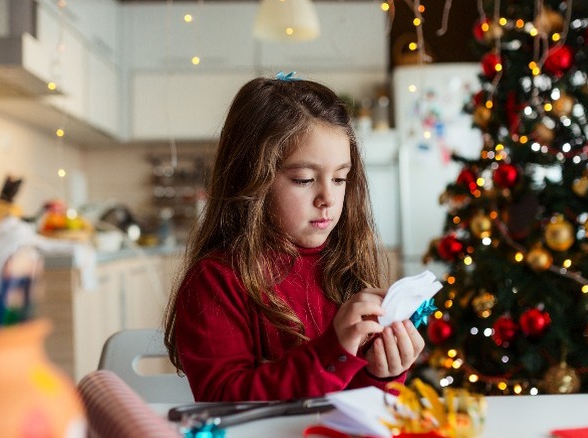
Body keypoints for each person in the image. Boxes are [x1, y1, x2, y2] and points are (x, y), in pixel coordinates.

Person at [163, 74, 425, 402]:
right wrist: (333, 351)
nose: (328, 198)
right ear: (252, 179)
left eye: (341, 178)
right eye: (303, 180)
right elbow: (224, 400)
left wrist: (381, 372)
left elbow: (349, 406)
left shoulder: (344, 267)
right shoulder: (217, 281)